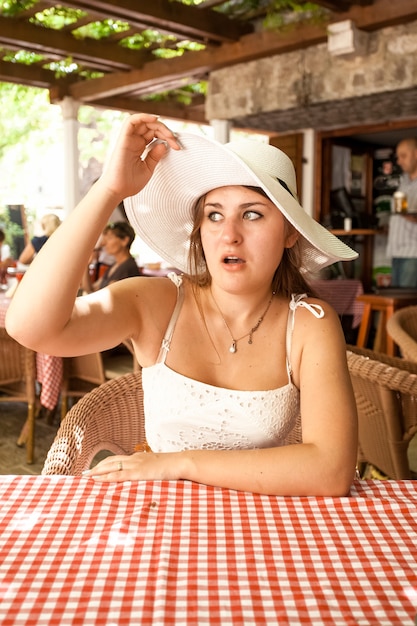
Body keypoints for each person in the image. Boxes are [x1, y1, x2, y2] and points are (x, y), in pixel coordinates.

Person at [6, 113, 359, 496]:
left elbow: (332, 469)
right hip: (159, 522)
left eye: (252, 214)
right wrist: (108, 190)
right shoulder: (157, 301)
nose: (230, 235)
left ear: (290, 232)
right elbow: (29, 326)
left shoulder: (309, 322)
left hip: (262, 529)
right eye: (214, 215)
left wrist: (178, 463)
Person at [386, 138, 417, 288]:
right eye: (398, 157)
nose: (399, 161)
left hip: (413, 253)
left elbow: (407, 213)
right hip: (396, 251)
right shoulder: (404, 182)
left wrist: (408, 214)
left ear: (416, 154)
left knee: (408, 305)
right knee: (396, 302)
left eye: (403, 156)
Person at [81, 220, 140, 293]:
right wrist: (86, 264)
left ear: (125, 240)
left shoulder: (127, 268)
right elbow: (90, 289)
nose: (103, 243)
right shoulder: (115, 265)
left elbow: (97, 296)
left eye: (109, 238)